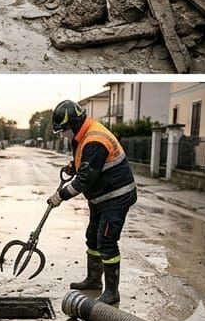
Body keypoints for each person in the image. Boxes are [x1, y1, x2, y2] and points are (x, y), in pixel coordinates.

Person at [48, 99, 138, 305]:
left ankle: (112, 292)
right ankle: (94, 279)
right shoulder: (82, 135)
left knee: (106, 240)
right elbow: (86, 163)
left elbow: (85, 179)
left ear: (74, 124)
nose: (63, 134)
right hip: (101, 197)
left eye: (64, 130)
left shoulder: (95, 139)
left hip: (116, 196)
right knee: (92, 237)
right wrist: (74, 166)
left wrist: (60, 196)